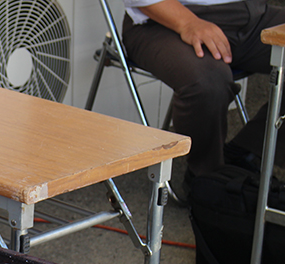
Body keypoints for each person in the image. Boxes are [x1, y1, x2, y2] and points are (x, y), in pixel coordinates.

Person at [122, 0, 285, 180]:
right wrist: (188, 23)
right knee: (208, 82)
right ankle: (208, 179)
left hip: (249, 12)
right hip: (162, 20)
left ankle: (248, 151)